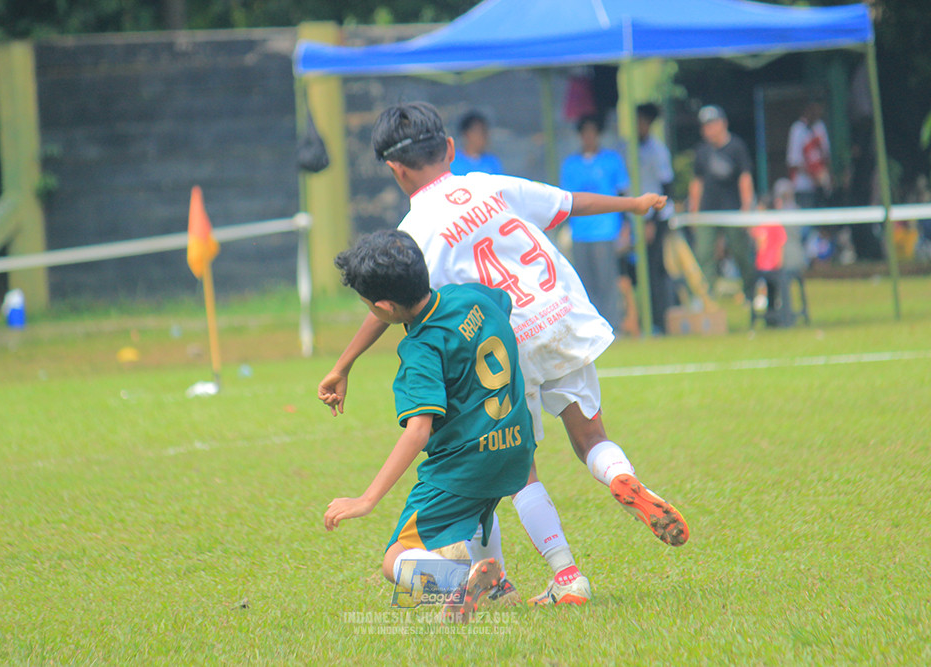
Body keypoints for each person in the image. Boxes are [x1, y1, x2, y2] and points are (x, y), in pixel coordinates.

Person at [318, 101, 688, 607]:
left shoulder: (414, 232)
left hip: (505, 344)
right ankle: (620, 477)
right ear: (449, 147)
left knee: (520, 470)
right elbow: (568, 203)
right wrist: (636, 203)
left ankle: (566, 578)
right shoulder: (491, 185)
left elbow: (386, 304)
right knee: (591, 436)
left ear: (394, 169)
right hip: (560, 317)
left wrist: (344, 363)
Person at [323, 229, 535, 622]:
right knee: (476, 506)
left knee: (394, 560)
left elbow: (419, 428)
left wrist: (366, 499)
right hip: (514, 444)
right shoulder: (470, 295)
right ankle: (496, 587)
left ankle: (455, 583)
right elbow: (502, 305)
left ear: (384, 307)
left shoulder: (420, 348)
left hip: (462, 464)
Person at [559, 113, 630, 330]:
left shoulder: (611, 160)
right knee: (584, 284)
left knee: (607, 282)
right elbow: (565, 199)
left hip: (606, 229)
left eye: (593, 132)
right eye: (585, 133)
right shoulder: (570, 164)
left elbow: (622, 193)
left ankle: (612, 327)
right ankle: (592, 328)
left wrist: (626, 227)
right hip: (580, 231)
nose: (589, 137)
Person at [688, 104, 756, 300]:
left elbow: (745, 178)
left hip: (732, 210)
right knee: (704, 253)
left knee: (740, 251)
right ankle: (707, 298)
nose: (708, 130)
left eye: (712, 124)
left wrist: (746, 207)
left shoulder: (736, 147)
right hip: (708, 211)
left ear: (722, 124)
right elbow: (697, 182)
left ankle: (750, 292)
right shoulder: (702, 151)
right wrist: (694, 211)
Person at [636, 103, 675, 333]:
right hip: (635, 218)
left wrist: (652, 221)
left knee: (656, 270)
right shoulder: (626, 148)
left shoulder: (657, 150)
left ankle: (659, 321)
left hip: (655, 219)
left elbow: (665, 187)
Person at [786, 101, 832, 209]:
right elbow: (794, 162)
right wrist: (814, 176)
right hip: (803, 187)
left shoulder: (820, 127)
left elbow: (826, 156)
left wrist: (827, 177)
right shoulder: (797, 129)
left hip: (822, 187)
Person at [450, 111, 504, 176]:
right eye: (480, 132)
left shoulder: (492, 162)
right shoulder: (452, 161)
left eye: (485, 132)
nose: (485, 136)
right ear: (467, 134)